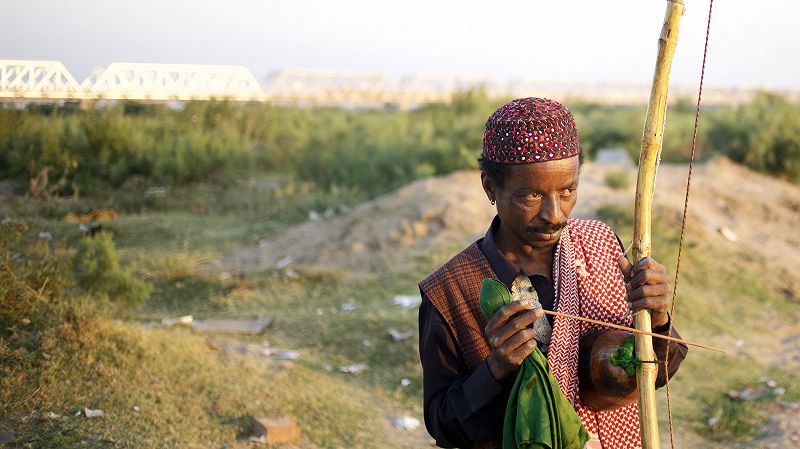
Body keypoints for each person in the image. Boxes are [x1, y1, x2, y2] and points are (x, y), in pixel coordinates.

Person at [418, 97, 688, 449]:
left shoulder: (600, 246)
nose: (555, 214)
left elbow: (655, 374)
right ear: (490, 187)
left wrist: (657, 317)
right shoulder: (450, 291)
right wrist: (496, 368)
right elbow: (443, 424)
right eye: (531, 195)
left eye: (568, 190)